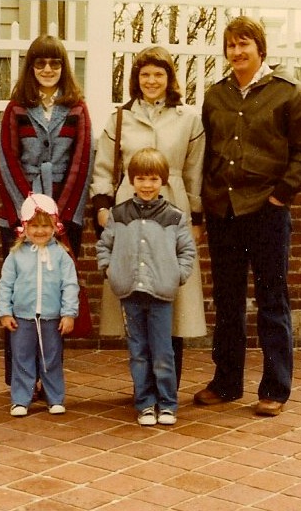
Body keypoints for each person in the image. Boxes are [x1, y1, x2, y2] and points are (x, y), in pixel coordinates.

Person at [195, 15, 301, 417]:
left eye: (244, 45)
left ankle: (275, 387)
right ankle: (227, 381)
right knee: (227, 301)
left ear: (260, 49)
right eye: (231, 46)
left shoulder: (290, 94)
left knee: (272, 300)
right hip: (224, 212)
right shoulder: (216, 96)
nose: (237, 52)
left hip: (267, 213)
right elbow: (207, 151)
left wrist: (281, 196)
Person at [90, 45, 206, 387]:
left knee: (172, 294)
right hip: (130, 212)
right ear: (135, 80)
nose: (151, 81)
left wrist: (196, 218)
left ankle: (168, 384)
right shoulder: (121, 118)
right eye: (145, 75)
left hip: (172, 213)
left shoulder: (188, 120)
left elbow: (194, 172)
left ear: (170, 79)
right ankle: (144, 386)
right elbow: (104, 168)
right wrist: (102, 206)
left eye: (159, 74)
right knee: (137, 294)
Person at [0, 34, 93, 387]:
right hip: (20, 215)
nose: (48, 69)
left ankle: (48, 379)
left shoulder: (77, 109)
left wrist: (59, 216)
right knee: (21, 297)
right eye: (40, 63)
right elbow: (7, 160)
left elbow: (82, 162)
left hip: (64, 218)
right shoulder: (16, 108)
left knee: (55, 299)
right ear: (31, 68)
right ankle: (20, 378)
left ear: (64, 67)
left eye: (54, 63)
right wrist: (29, 209)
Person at [95, 148, 196, 426]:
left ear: (162, 181)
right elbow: (104, 246)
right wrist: (109, 270)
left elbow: (187, 251)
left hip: (161, 293)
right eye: (141, 179)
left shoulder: (174, 216)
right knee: (138, 352)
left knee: (163, 351)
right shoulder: (119, 214)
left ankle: (167, 403)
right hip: (129, 293)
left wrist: (177, 275)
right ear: (131, 181)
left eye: (153, 179)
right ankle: (145, 403)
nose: (147, 185)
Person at [0, 193, 80, 417]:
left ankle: (55, 398)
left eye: (46, 225)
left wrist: (68, 313)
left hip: (52, 318)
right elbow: (5, 285)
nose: (40, 231)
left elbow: (70, 285)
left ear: (55, 226)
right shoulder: (15, 256)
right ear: (25, 226)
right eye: (34, 226)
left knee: (50, 358)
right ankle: (21, 399)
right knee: (21, 358)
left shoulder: (62, 255)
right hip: (22, 318)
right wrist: (4, 311)